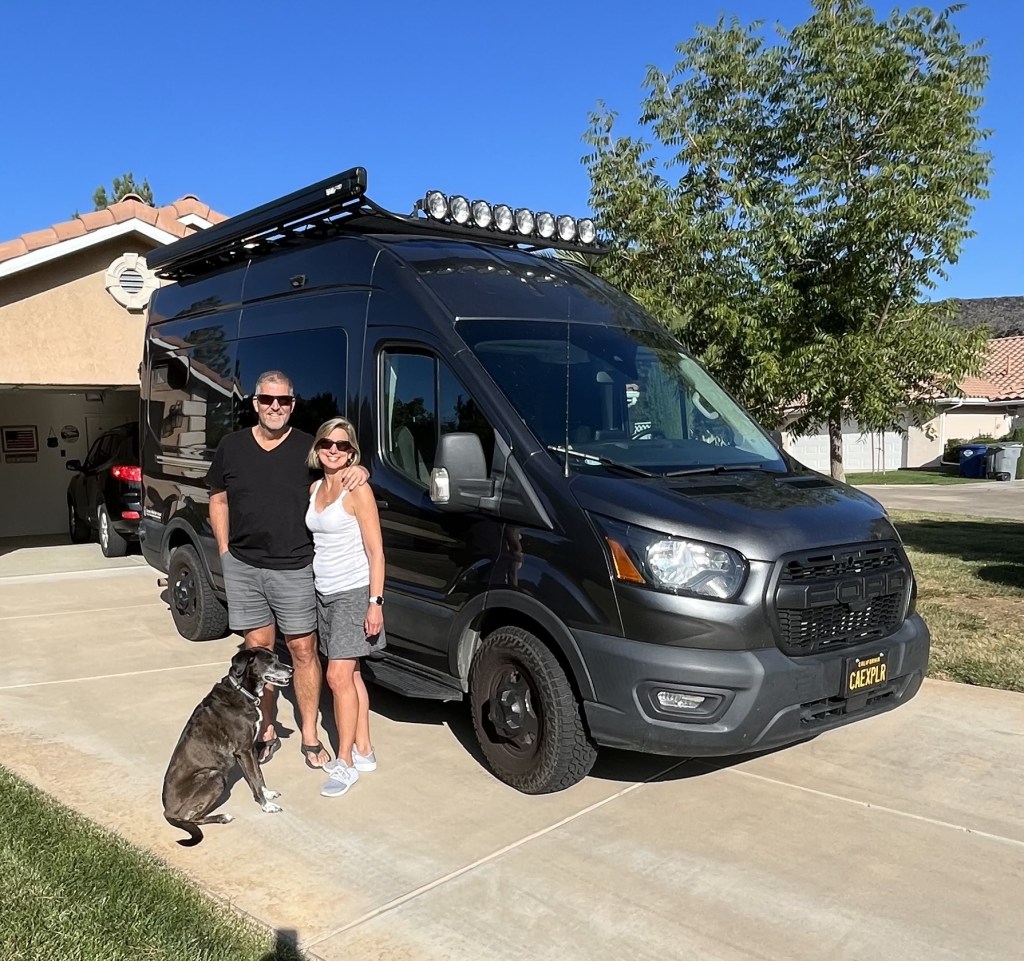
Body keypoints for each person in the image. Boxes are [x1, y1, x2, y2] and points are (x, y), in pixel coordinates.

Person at [207, 371, 368, 771]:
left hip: (294, 568)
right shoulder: (231, 446)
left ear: (293, 404)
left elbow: (338, 471)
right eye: (267, 399)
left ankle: (310, 735)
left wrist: (361, 471)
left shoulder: (308, 448)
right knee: (259, 653)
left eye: (283, 400)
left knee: (302, 651)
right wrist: (225, 553)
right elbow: (218, 500)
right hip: (244, 567)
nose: (275, 406)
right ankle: (265, 729)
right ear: (255, 403)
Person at [305, 416, 385, 798]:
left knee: (337, 676)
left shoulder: (358, 489)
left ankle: (345, 762)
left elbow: (376, 551)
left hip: (353, 592)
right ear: (318, 448)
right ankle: (365, 749)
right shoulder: (314, 488)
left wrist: (375, 603)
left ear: (352, 451)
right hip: (323, 592)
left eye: (342, 445)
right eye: (327, 444)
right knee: (351, 676)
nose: (333, 450)